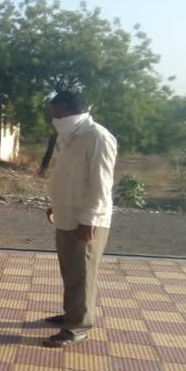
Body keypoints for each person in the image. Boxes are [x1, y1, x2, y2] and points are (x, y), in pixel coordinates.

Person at [44, 91, 117, 347]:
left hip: (87, 220)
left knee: (83, 273)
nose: (55, 120)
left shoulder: (98, 137)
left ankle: (77, 327)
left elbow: (101, 184)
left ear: (76, 112)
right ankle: (71, 314)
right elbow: (66, 175)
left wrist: (89, 220)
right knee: (70, 270)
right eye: (53, 115)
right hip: (66, 213)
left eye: (59, 115)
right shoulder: (68, 135)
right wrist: (55, 205)